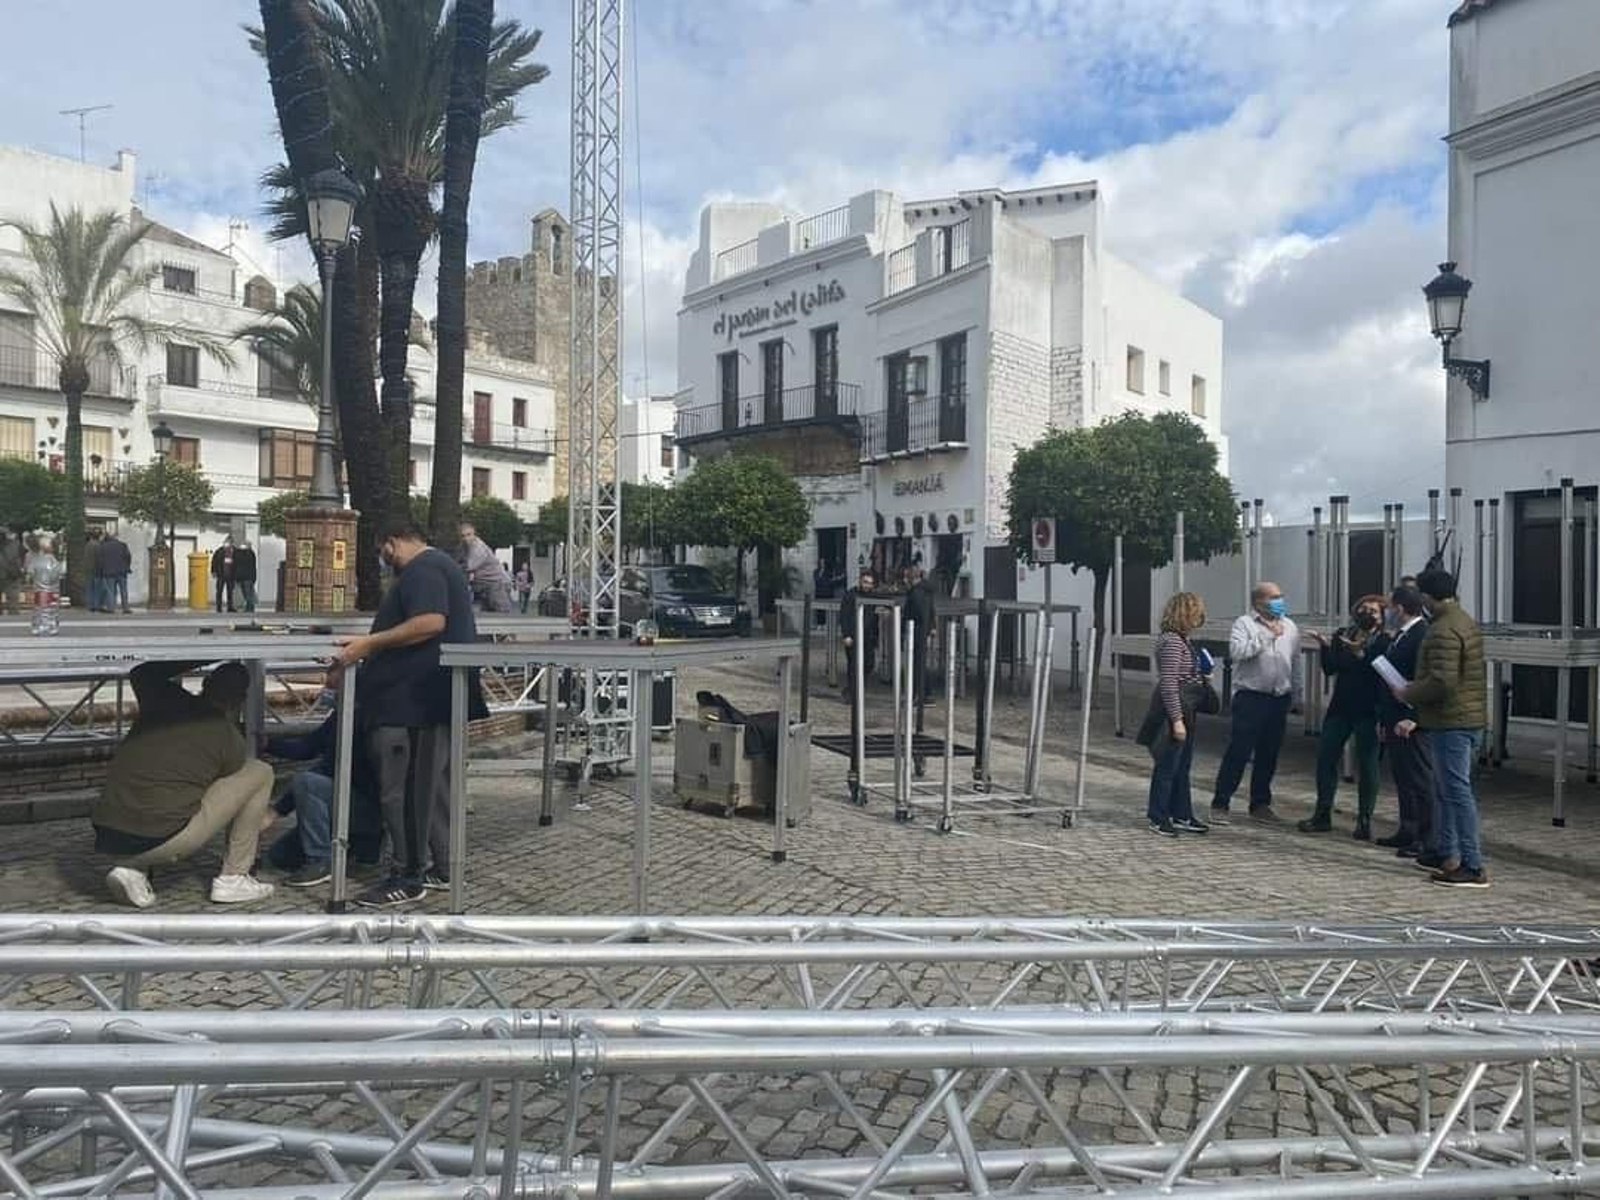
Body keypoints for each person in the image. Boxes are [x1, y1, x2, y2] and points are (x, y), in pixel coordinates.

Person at [332, 518, 484, 908]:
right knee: (433, 790)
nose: (383, 559)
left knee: (405, 793)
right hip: (430, 699)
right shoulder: (441, 566)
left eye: (381, 551)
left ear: (393, 542)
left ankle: (408, 874)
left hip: (414, 703)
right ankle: (442, 866)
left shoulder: (423, 568)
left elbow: (430, 622)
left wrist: (368, 644)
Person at [90, 659, 276, 908]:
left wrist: (209, 653)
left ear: (205, 683)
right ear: (241, 700)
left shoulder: (162, 698)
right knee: (260, 772)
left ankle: (132, 869)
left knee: (160, 789)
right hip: (162, 840)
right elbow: (223, 784)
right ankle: (234, 878)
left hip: (107, 836)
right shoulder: (230, 739)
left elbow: (142, 672)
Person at [1397, 568, 1488, 888]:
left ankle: (1472, 864)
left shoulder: (1442, 630)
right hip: (1464, 717)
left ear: (1426, 596)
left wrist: (1408, 692)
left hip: (1453, 721)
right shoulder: (1464, 620)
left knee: (1457, 792)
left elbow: (1443, 681)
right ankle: (1446, 852)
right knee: (1446, 790)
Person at [1210, 581, 1301, 824]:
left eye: (1281, 596)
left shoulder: (1290, 626)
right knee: (1238, 751)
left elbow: (1295, 661)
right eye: (1274, 597)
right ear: (1259, 602)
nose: (1280, 601)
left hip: (1279, 698)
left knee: (1269, 753)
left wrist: (1297, 694)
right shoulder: (1244, 623)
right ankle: (1221, 802)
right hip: (1251, 697)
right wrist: (1268, 636)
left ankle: (1260, 803)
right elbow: (1237, 652)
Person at [262, 708, 383, 886]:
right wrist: (267, 744)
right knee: (280, 856)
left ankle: (320, 861)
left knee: (307, 782)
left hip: (369, 807)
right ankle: (352, 846)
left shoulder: (362, 715)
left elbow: (326, 766)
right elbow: (307, 747)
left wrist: (278, 810)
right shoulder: (341, 714)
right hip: (343, 803)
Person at [1298, 595, 1386, 838]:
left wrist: (1360, 654)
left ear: (1382, 617)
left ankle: (1364, 820)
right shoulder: (1343, 634)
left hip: (1369, 709)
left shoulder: (1384, 640)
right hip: (1341, 706)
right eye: (1362, 609)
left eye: (1373, 611)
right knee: (1326, 757)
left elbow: (1378, 672)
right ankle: (1322, 814)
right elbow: (1331, 668)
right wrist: (1325, 646)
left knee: (1368, 764)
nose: (1366, 614)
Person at [1144, 592, 1213, 837]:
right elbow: (1169, 683)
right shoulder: (1172, 642)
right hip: (1176, 710)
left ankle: (1182, 813)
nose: (1199, 619)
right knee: (1167, 766)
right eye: (1196, 613)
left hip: (1188, 709)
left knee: (1182, 766)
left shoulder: (1183, 640)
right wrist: (1176, 720)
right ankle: (1158, 816)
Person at [1373, 585, 1435, 858]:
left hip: (1411, 718)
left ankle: (1426, 837)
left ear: (1399, 608)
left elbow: (1425, 680)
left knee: (1420, 780)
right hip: (1393, 715)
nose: (1387, 612)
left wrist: (1414, 716)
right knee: (1403, 777)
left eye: (1389, 607)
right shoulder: (1400, 635)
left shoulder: (1422, 634)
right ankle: (1408, 828)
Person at [904, 564, 936, 729]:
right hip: (923, 630)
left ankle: (922, 694)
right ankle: (925, 694)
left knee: (918, 663)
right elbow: (930, 609)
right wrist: (932, 626)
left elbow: (918, 612)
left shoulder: (916, 593)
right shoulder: (925, 591)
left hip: (917, 631)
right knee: (920, 662)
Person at [838, 567, 879, 694]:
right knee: (854, 665)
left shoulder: (872, 596)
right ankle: (852, 693)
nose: (868, 586)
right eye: (866, 582)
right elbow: (844, 615)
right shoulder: (850, 595)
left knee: (869, 663)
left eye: (870, 583)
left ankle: (856, 689)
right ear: (860, 581)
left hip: (867, 637)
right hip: (853, 635)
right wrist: (846, 635)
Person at [458, 522, 514, 613]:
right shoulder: (466, 546)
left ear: (474, 534)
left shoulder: (479, 548)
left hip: (496, 583)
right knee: (486, 615)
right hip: (483, 584)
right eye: (463, 536)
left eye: (469, 535)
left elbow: (468, 567)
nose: (466, 538)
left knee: (502, 614)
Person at [96, 530, 133, 614]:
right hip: (122, 571)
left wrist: (101, 570)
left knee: (110, 590)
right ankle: (125, 607)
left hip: (108, 572)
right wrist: (127, 567)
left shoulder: (103, 546)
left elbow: (100, 560)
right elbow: (128, 557)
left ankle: (111, 608)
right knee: (123, 590)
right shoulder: (123, 545)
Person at [211, 538, 237, 613]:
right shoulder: (219, 551)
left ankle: (230, 607)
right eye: (227, 542)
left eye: (230, 542)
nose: (228, 544)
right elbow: (214, 561)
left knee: (230, 592)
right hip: (221, 574)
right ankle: (219, 607)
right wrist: (214, 571)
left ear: (232, 543)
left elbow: (237, 563)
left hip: (231, 575)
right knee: (219, 591)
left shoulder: (235, 551)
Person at [0, 529, 21, 615]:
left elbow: (17, 559)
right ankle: (13, 613)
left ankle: (13, 613)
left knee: (13, 598)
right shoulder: (15, 544)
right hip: (11, 574)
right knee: (13, 598)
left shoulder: (14, 544)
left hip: (11, 575)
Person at [234, 540, 259, 613]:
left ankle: (250, 607)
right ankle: (249, 607)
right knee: (246, 593)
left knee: (248, 593)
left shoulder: (250, 554)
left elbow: (252, 566)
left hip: (247, 577)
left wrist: (253, 578)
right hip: (243, 577)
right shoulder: (239, 553)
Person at [86, 530, 107, 612]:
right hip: (97, 570)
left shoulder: (88, 545)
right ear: (99, 536)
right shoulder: (98, 545)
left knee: (90, 589)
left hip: (88, 570)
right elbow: (99, 559)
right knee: (98, 589)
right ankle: (97, 605)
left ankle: (90, 605)